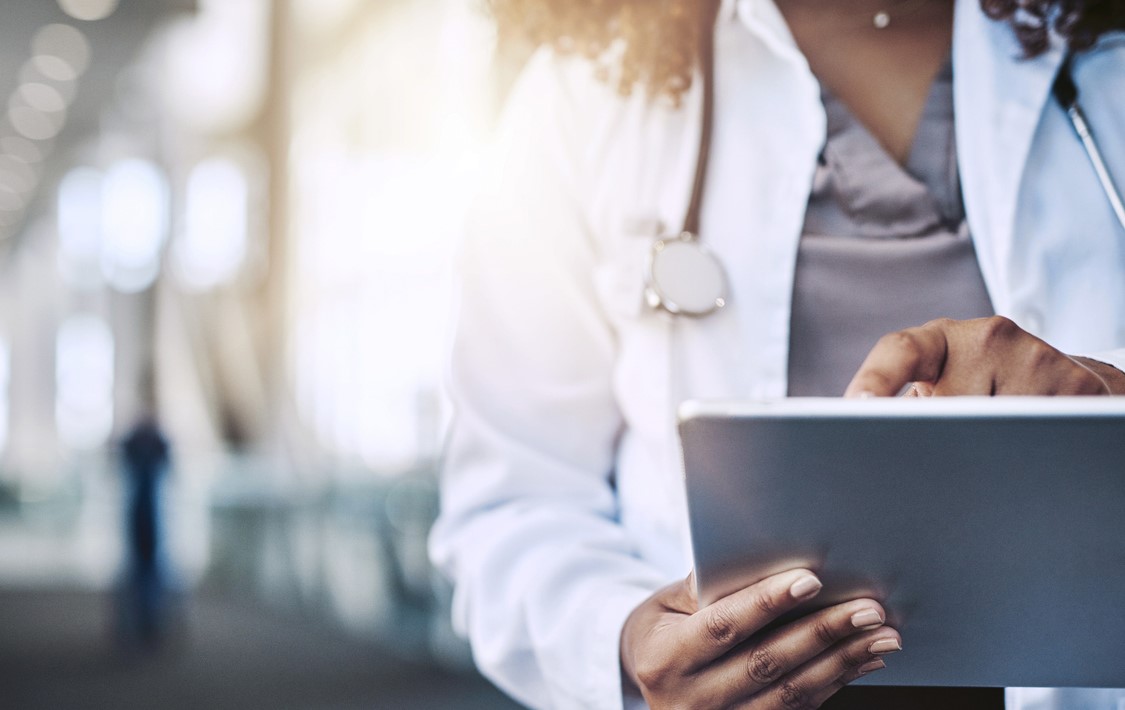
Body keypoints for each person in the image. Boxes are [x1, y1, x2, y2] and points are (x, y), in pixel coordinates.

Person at [430, 0, 1125, 708]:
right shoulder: (583, 93)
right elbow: (513, 502)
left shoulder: (1106, 56)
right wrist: (621, 638)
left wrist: (1107, 393)